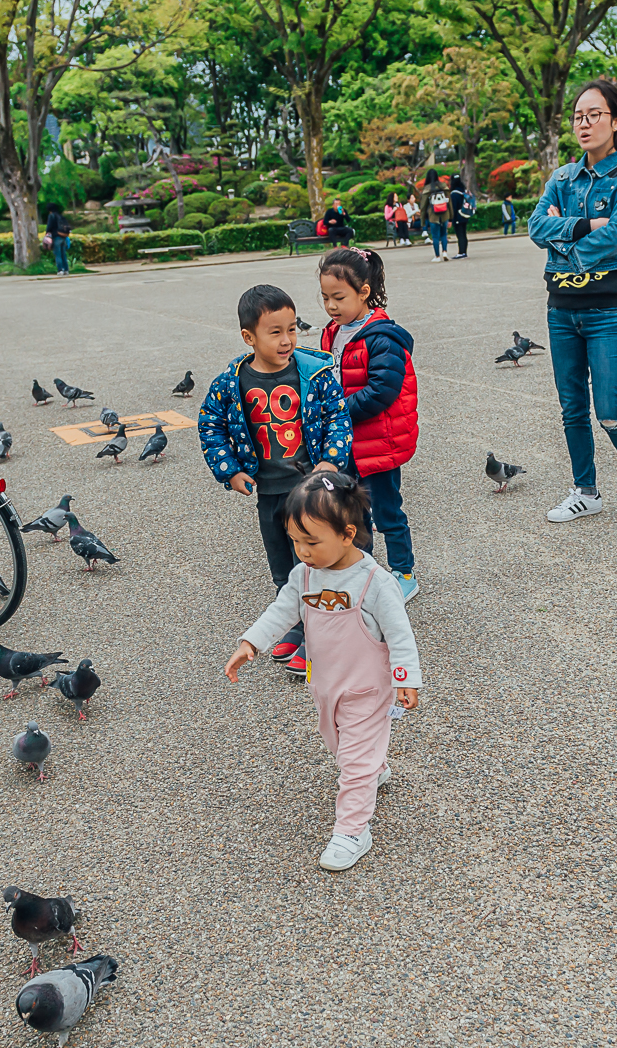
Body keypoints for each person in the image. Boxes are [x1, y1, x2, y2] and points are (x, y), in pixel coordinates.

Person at [224, 471, 421, 872]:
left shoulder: (375, 583)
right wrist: (251, 643)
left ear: (348, 534)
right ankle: (373, 767)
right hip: (325, 684)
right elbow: (280, 612)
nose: (302, 551)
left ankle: (352, 830)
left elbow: (400, 634)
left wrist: (406, 678)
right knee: (335, 742)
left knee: (353, 762)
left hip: (367, 689)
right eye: (296, 541)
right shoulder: (305, 576)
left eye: (311, 542)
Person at [198, 284, 352, 678]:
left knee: (325, 559)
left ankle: (328, 638)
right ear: (249, 337)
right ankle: (298, 626)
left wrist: (330, 462)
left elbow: (338, 416)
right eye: (275, 332)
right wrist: (229, 469)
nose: (286, 340)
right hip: (268, 491)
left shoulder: (314, 373)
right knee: (283, 566)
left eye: (292, 329)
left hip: (313, 490)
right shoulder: (231, 382)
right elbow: (209, 424)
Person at [527, 78, 617, 524]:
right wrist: (584, 226)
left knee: (608, 407)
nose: (584, 124)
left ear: (616, 120)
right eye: (578, 116)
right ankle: (586, 491)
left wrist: (563, 237)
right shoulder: (561, 177)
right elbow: (534, 227)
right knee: (572, 408)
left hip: (607, 309)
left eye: (594, 115)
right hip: (561, 308)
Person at [318, 247, 419, 604]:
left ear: (363, 292)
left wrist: (336, 410)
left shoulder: (382, 337)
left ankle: (404, 573)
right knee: (353, 513)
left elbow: (381, 393)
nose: (331, 306)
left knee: (388, 511)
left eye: (339, 297)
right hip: (348, 442)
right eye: (325, 297)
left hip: (379, 444)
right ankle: (365, 572)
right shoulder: (333, 333)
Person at [423, 171, 451, 262]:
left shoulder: (427, 189)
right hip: (445, 214)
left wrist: (423, 221)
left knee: (435, 236)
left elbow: (423, 206)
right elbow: (449, 202)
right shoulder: (443, 186)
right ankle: (445, 252)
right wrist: (451, 216)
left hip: (433, 216)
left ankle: (437, 256)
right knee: (444, 234)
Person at [448, 175, 471, 258]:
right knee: (463, 234)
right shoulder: (463, 191)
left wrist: (450, 219)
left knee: (460, 234)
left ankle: (461, 252)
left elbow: (453, 208)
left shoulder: (454, 194)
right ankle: (464, 251)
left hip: (458, 216)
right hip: (465, 215)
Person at [45, 203, 72, 275]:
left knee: (57, 254)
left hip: (56, 237)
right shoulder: (60, 215)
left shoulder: (52, 216)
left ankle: (60, 270)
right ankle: (66, 269)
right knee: (63, 254)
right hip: (63, 236)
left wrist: (47, 233)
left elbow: (49, 226)